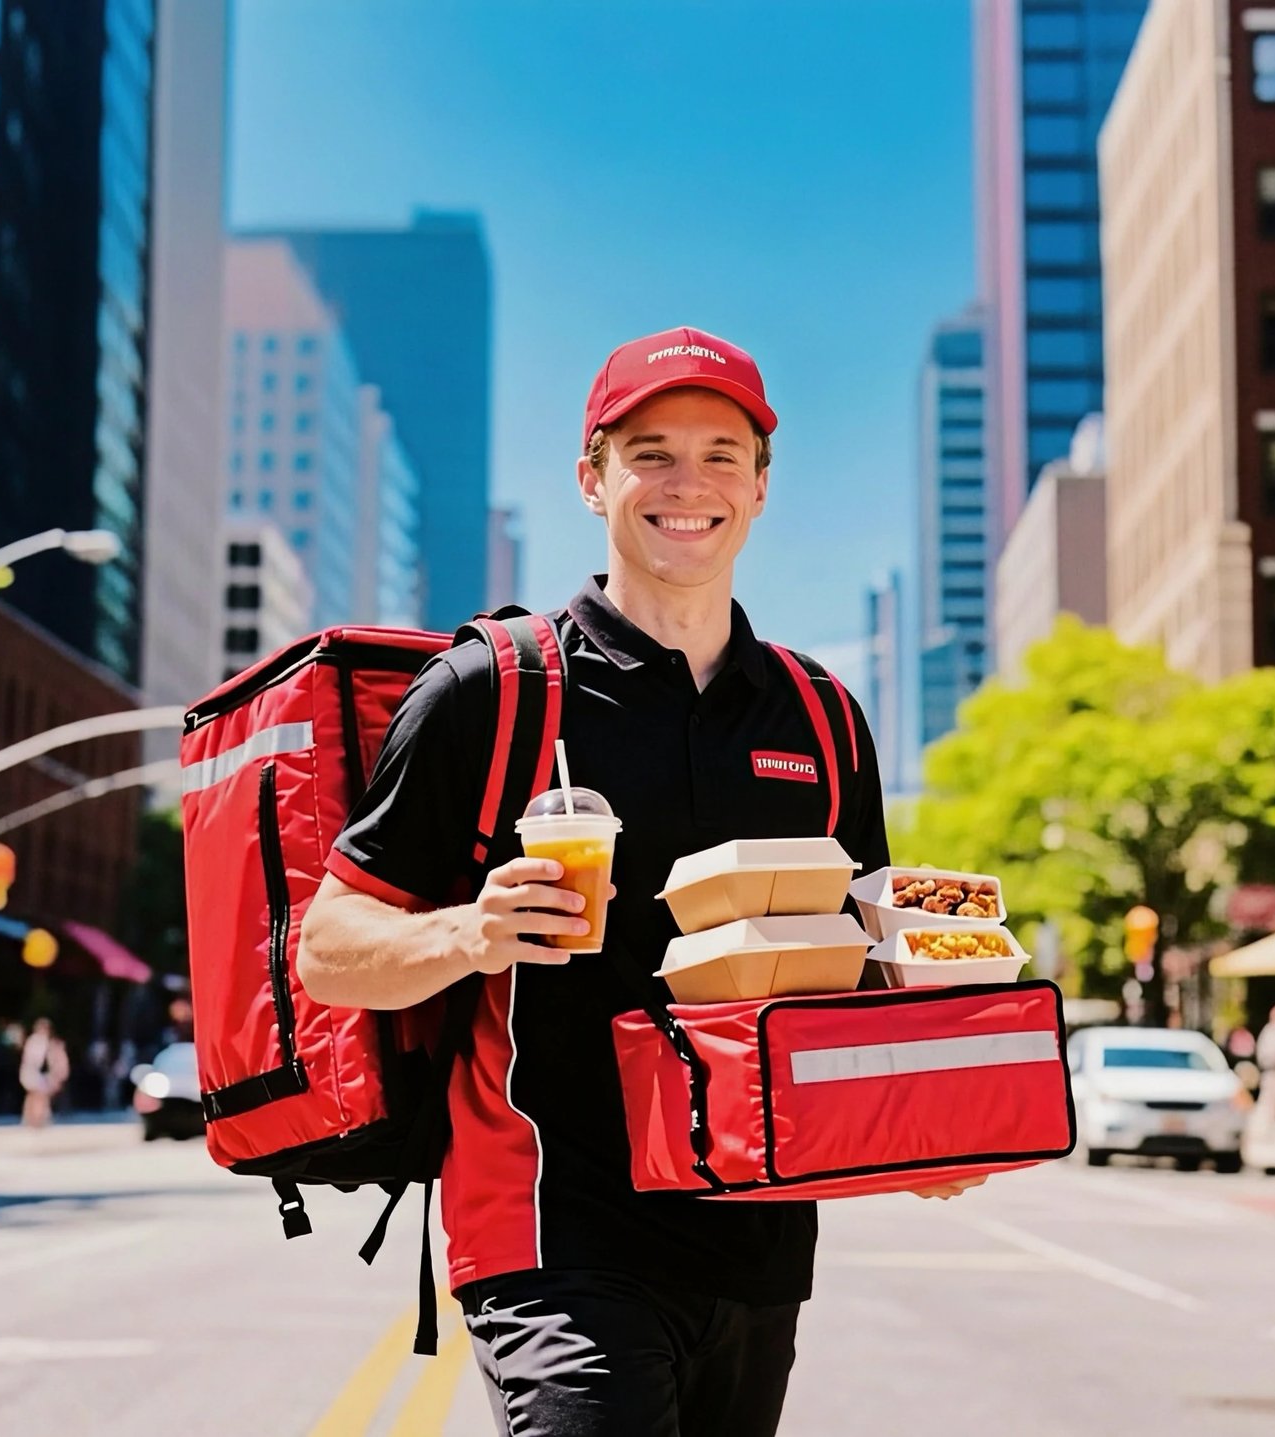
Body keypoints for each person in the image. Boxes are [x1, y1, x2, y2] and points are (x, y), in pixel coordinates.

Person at [301, 327, 982, 1437]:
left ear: (761, 488)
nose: (688, 484)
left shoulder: (821, 716)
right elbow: (328, 951)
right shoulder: (490, 690)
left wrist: (930, 1121)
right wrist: (473, 934)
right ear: (593, 478)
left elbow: (872, 949)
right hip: (553, 1230)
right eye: (651, 451)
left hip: (759, 1235)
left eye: (722, 454)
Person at [18, 1017, 69, 1129]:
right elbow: (36, 1060)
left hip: (34, 1073)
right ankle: (35, 1118)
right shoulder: (37, 1041)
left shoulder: (36, 1041)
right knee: (38, 1095)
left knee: (36, 1095)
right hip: (33, 1073)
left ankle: (34, 1117)